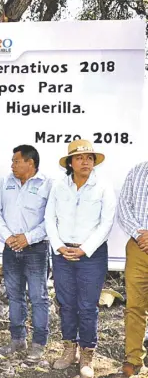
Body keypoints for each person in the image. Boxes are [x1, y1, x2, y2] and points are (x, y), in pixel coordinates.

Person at [45, 139, 116, 378]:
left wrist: (85, 248)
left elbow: (106, 223)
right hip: (63, 254)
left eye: (89, 158)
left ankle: (87, 353)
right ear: (70, 163)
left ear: (94, 162)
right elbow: (49, 219)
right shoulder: (58, 186)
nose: (85, 162)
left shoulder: (103, 187)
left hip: (91, 255)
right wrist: (58, 246)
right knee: (66, 304)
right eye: (79, 158)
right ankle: (69, 349)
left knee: (87, 306)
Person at [0, 145, 52, 362]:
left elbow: (51, 219)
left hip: (36, 249)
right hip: (10, 248)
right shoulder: (5, 182)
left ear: (30, 163)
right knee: (14, 296)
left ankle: (38, 343)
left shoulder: (47, 184)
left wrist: (28, 237)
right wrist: (8, 237)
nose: (12, 165)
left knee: (38, 297)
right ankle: (17, 339)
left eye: (16, 161)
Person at [116, 161, 148, 377]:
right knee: (135, 305)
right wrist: (140, 234)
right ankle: (133, 359)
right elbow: (124, 208)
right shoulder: (137, 171)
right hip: (139, 246)